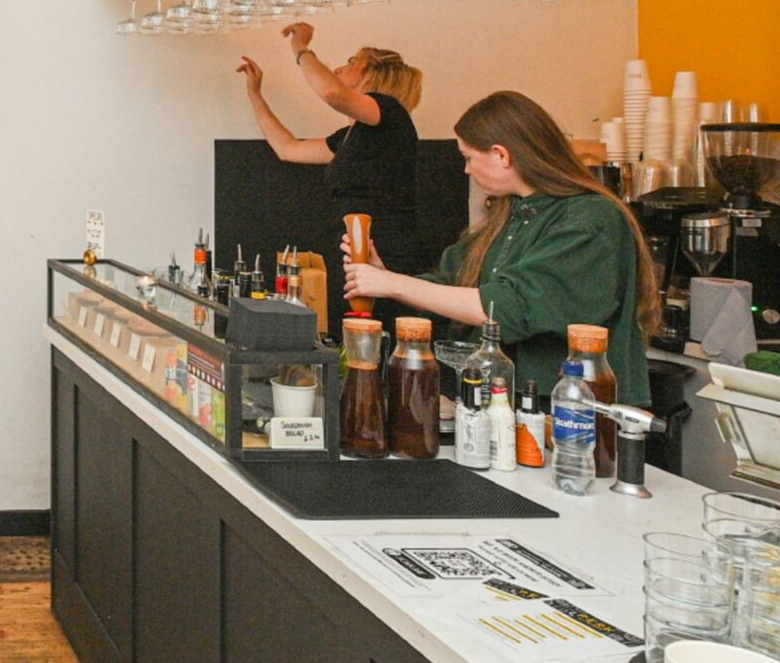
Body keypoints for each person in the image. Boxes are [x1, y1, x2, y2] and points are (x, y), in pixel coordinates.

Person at [341, 90, 655, 404]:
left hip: (575, 409)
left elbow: (508, 308)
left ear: (502, 155)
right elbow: (453, 285)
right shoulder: (510, 217)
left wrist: (392, 284)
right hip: (507, 402)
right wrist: (383, 275)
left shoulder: (591, 219)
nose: (466, 170)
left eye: (468, 158)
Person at [237, 23, 426, 273]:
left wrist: (300, 47)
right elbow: (288, 148)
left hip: (384, 255)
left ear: (372, 74)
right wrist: (255, 94)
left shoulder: (390, 112)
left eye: (352, 62)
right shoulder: (351, 138)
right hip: (355, 252)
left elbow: (331, 92)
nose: (338, 68)